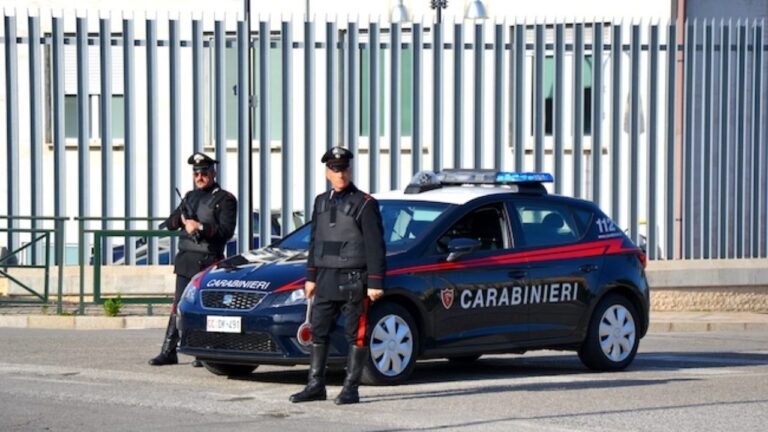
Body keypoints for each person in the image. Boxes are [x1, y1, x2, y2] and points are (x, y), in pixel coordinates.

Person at [289, 146, 386, 405]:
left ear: (349, 170)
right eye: (335, 169)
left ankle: (351, 388)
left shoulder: (365, 203)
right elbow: (315, 241)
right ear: (327, 172)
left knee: (356, 334)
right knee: (318, 331)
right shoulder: (321, 201)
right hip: (325, 278)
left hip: (354, 279)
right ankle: (315, 385)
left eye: (343, 169)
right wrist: (310, 277)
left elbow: (375, 246)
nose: (340, 174)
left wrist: (375, 282)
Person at [149, 152, 237, 366]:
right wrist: (182, 220)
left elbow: (226, 231)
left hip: (208, 261)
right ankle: (169, 350)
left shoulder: (225, 199)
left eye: (204, 173)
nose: (200, 177)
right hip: (186, 261)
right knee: (179, 306)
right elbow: (170, 223)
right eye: (196, 173)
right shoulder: (189, 197)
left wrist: (200, 227)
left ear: (213, 173)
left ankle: (204, 352)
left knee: (206, 308)